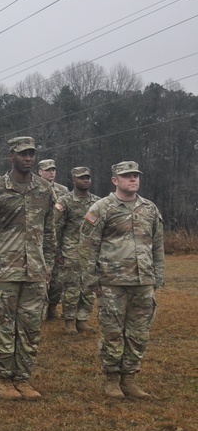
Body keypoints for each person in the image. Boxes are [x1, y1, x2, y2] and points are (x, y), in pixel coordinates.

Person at [0, 137, 57, 400]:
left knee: (30, 328)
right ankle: (2, 379)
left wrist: (48, 266)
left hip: (34, 272)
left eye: (32, 153)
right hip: (4, 271)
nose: (29, 158)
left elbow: (49, 233)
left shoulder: (44, 189)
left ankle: (22, 378)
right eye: (23, 154)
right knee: (3, 326)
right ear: (11, 156)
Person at [80, 161, 163, 399]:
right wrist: (92, 280)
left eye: (135, 175)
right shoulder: (101, 208)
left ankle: (129, 379)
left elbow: (157, 245)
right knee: (113, 333)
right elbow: (87, 246)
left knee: (139, 334)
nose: (133, 179)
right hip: (112, 282)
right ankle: (111, 380)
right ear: (115, 180)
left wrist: (158, 277)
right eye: (127, 176)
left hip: (143, 281)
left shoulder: (149, 208)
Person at [55, 167, 100, 335]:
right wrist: (57, 252)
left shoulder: (97, 203)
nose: (86, 180)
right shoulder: (64, 201)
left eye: (88, 177)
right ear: (74, 180)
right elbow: (56, 228)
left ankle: (82, 320)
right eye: (82, 178)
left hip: (90, 254)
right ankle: (69, 321)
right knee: (71, 288)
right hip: (70, 251)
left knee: (88, 288)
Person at [39, 159, 70, 320]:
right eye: (47, 170)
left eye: (53, 170)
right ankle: (40, 310)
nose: (51, 172)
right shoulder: (36, 188)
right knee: (41, 278)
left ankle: (52, 308)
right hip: (40, 240)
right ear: (40, 172)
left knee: (58, 280)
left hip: (58, 240)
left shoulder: (63, 191)